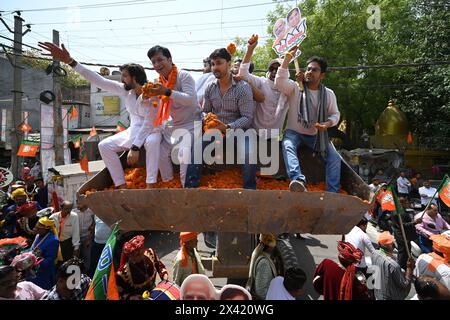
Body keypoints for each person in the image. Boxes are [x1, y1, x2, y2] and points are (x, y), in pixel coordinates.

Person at [38, 41, 161, 189]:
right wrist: (71, 62)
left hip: (152, 131)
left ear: (134, 78)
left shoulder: (152, 92)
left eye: (125, 76)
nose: (122, 80)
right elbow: (99, 81)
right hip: (133, 132)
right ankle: (121, 185)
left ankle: (151, 184)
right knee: (104, 145)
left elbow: (148, 124)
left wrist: (134, 148)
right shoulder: (126, 90)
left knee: (152, 142)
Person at [185, 47, 256, 190]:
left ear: (228, 63)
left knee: (249, 153)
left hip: (238, 130)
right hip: (215, 129)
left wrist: (227, 127)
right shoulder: (210, 87)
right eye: (212, 64)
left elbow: (247, 118)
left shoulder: (242, 88)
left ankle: (250, 190)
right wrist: (208, 121)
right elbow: (205, 111)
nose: (214, 67)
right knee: (197, 147)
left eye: (218, 63)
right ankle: (190, 189)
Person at [275, 48, 341, 192]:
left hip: (316, 136)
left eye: (314, 70)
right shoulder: (294, 87)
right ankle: (298, 180)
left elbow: (335, 115)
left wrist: (327, 124)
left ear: (322, 75)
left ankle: (333, 193)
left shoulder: (328, 94)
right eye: (308, 69)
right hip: (293, 132)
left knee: (335, 158)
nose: (309, 72)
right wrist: (287, 58)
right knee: (287, 145)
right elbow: (279, 82)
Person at [146, 45, 200, 188]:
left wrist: (167, 92)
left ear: (170, 59)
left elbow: (191, 100)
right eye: (153, 62)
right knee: (159, 153)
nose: (157, 65)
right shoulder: (158, 82)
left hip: (191, 124)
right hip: (172, 125)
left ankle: (185, 189)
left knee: (184, 154)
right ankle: (169, 184)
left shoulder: (184, 76)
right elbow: (156, 107)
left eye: (160, 60)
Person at [237, 37, 289, 140]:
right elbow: (243, 74)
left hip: (273, 137)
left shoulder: (289, 88)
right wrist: (250, 49)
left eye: (278, 69)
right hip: (254, 133)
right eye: (272, 69)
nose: (274, 71)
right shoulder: (262, 82)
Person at [116, 235, 168, 300]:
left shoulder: (150, 253)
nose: (141, 256)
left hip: (154, 294)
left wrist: (164, 276)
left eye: (141, 252)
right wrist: (131, 297)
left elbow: (159, 265)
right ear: (130, 256)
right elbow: (120, 293)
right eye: (137, 255)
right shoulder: (122, 273)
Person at [371, 231, 415, 300]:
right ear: (390, 245)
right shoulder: (393, 265)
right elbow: (405, 284)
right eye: (391, 243)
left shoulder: (374, 253)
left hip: (377, 293)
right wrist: (409, 269)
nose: (394, 244)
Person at [29, 217, 62, 290]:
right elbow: (33, 249)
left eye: (38, 228)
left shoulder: (53, 240)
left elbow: (50, 258)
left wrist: (36, 263)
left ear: (46, 229)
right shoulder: (38, 235)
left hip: (45, 271)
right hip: (34, 268)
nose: (36, 230)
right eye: (36, 227)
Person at [390, 197, 421, 270]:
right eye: (406, 202)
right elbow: (403, 225)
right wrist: (415, 222)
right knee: (403, 253)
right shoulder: (399, 212)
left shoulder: (399, 210)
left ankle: (405, 266)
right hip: (402, 236)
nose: (408, 204)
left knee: (407, 252)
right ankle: (400, 268)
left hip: (404, 235)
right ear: (402, 203)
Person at [247, 234, 281, 300]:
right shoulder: (264, 264)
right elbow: (261, 292)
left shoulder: (262, 255)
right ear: (270, 247)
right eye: (274, 245)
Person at [73, 203, 94, 271]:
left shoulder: (91, 211)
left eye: (79, 203)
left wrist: (89, 239)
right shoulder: (74, 212)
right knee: (75, 256)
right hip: (76, 238)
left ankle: (86, 272)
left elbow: (94, 224)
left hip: (86, 237)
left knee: (87, 256)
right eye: (77, 203)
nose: (77, 205)